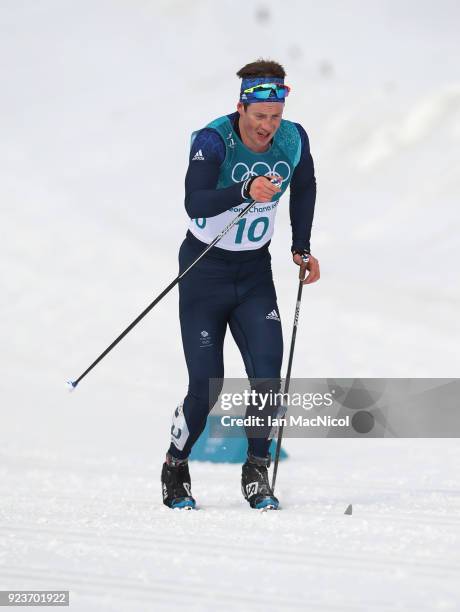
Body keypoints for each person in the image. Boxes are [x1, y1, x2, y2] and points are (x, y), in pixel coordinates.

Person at [161, 59, 320, 510]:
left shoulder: (293, 138)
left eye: (276, 116)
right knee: (207, 385)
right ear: (242, 108)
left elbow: (305, 185)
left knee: (268, 376)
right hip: (204, 273)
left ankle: (256, 469)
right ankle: (175, 465)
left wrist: (301, 245)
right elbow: (195, 203)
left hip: (253, 274)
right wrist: (245, 190)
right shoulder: (214, 140)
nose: (268, 127)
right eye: (259, 117)